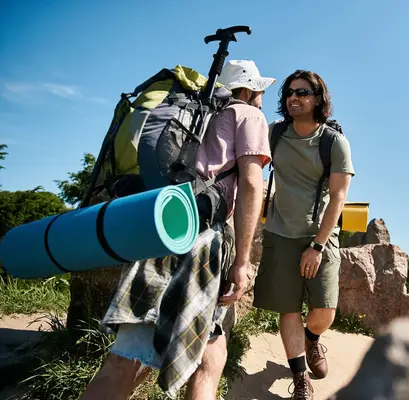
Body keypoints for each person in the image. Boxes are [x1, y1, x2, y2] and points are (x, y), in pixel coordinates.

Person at [80, 60, 275, 400]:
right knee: (191, 362)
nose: (262, 99)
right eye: (260, 92)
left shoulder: (196, 114)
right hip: (201, 240)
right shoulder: (249, 115)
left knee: (187, 354)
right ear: (249, 90)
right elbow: (252, 185)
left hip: (160, 228)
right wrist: (242, 264)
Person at [253, 70, 354, 399]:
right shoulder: (275, 133)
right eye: (289, 93)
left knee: (325, 310)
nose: (293, 98)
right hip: (280, 233)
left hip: (319, 236)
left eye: (302, 93)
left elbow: (338, 197)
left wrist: (317, 245)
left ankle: (312, 341)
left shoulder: (333, 142)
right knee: (289, 308)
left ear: (318, 98)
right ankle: (300, 378)